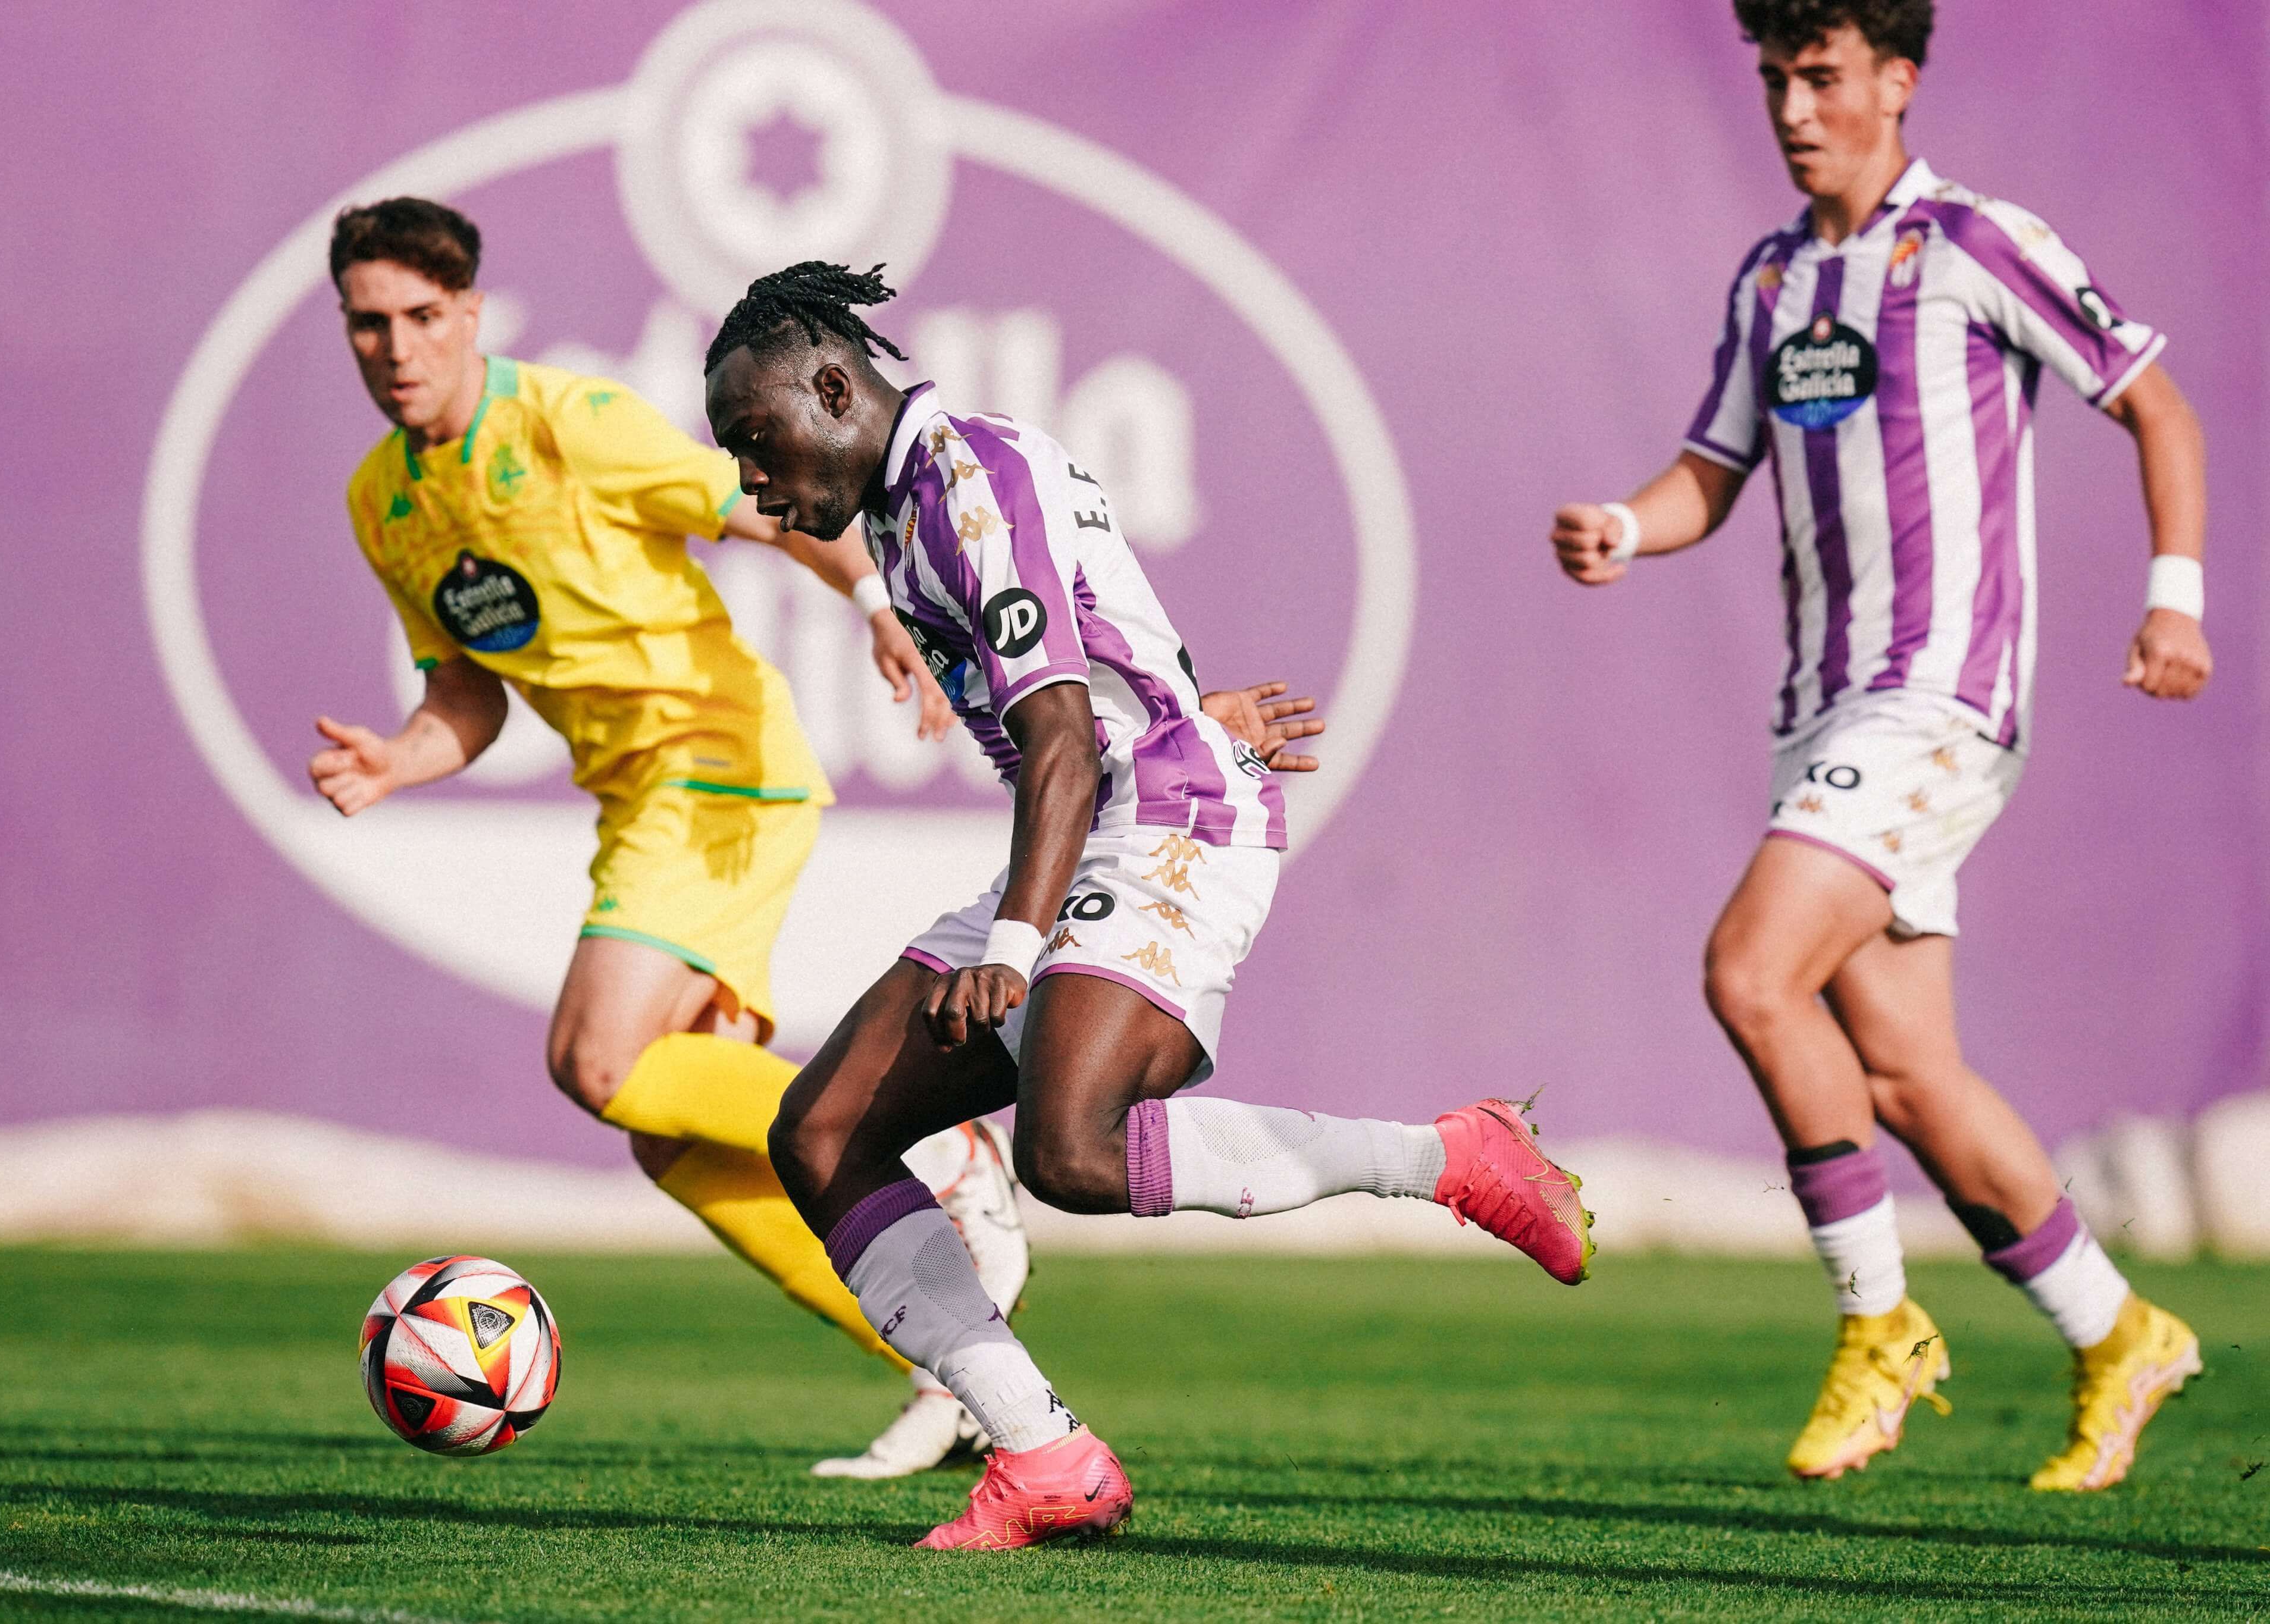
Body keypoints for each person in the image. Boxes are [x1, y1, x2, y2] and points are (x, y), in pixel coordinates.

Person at [703, 262, 1596, 1551]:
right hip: (1108, 811)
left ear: (834, 389)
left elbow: (1062, 740)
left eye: (756, 438)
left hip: (1162, 818)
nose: (753, 482)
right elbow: (1097, 657)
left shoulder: (963, 483)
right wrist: (1176, 703)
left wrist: (1016, 945)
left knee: (1069, 1149)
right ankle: (1041, 1453)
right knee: (822, 1131)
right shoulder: (911, 500)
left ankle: (1451, 1157)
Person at [1548, 0, 2208, 1490]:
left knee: (1749, 972)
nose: (1794, 109)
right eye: (1775, 80)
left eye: (1822, 77)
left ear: (1896, 81)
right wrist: (1623, 528)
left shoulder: (1973, 243)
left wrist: (2172, 598)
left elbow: (2156, 406)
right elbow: (1709, 470)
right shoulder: (1772, 277)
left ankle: (1878, 1325)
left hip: (1940, 699)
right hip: (1820, 710)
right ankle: (2118, 1333)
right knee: (1907, 1077)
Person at [308, 196, 1029, 1478]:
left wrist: (877, 602)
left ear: (470, 313)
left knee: (596, 1059)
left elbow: (769, 506)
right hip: (640, 800)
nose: (397, 347)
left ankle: (937, 1144)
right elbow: (468, 696)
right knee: (671, 1139)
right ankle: (954, 1363)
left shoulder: (568, 424)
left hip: (715, 768)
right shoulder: (383, 501)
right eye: (370, 324)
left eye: (422, 316)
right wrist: (398, 758)